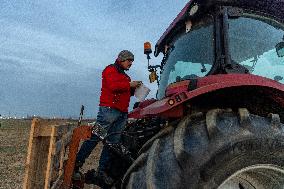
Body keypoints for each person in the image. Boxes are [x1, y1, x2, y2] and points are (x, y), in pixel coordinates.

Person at [74, 50, 141, 184]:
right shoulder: (110, 70)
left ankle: (101, 172)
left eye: (132, 61)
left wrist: (135, 89)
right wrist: (129, 85)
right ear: (122, 59)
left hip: (122, 114)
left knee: (112, 143)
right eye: (129, 61)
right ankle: (76, 164)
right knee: (96, 137)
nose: (131, 64)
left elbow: (124, 91)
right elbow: (113, 86)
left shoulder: (125, 77)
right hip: (108, 112)